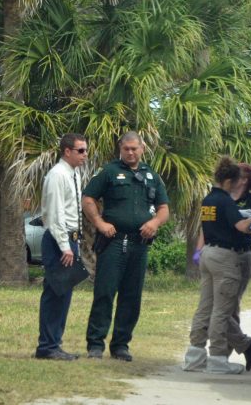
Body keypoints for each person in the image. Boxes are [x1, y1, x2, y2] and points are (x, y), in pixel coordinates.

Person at [82, 131, 169, 361]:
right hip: (113, 242)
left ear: (142, 149)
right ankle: (95, 344)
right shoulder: (110, 172)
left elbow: (164, 208)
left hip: (139, 245)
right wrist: (100, 223)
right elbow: (88, 198)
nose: (130, 152)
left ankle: (121, 345)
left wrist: (154, 222)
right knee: (104, 293)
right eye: (126, 149)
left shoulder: (151, 175)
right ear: (120, 149)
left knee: (132, 297)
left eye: (134, 148)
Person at [183, 156, 251, 374]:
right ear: (229, 181)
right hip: (225, 257)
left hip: (207, 254)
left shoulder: (208, 200)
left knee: (204, 307)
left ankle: (195, 356)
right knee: (222, 310)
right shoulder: (225, 201)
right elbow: (241, 226)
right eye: (235, 182)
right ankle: (217, 358)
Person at [35, 133, 88, 361]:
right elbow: (55, 214)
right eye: (81, 151)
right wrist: (65, 246)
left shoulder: (72, 173)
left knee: (63, 293)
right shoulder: (58, 175)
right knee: (55, 293)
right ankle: (47, 346)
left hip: (70, 240)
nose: (85, 155)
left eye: (85, 150)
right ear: (67, 151)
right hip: (59, 241)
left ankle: (54, 343)